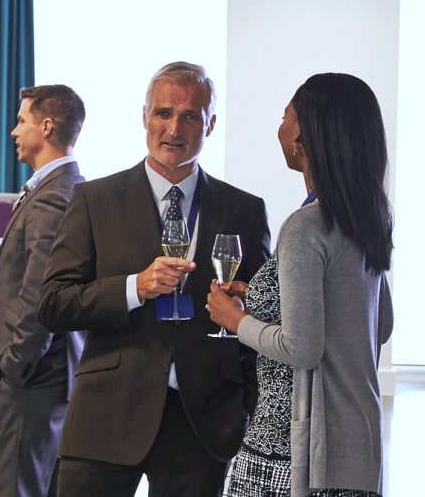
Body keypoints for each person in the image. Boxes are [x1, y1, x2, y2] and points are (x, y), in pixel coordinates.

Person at [38, 61, 271, 496]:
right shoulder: (94, 199)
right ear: (144, 116)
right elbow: (53, 302)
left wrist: (246, 410)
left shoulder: (244, 210)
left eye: (190, 116)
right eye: (163, 113)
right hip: (106, 415)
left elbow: (262, 313)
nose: (174, 127)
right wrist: (134, 288)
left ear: (211, 123)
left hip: (202, 422)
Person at [206, 72, 394, 497]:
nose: (279, 126)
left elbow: (302, 348)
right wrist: (261, 304)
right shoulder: (371, 218)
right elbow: (378, 326)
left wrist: (235, 321)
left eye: (285, 115)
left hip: (292, 451)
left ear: (303, 139)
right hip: (359, 442)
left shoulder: (306, 226)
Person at [0, 84, 86, 497]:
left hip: (35, 375)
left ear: (46, 125)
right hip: (46, 372)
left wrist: (15, 365)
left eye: (21, 120)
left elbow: (43, 293)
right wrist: (2, 273)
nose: (13, 131)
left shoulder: (54, 194)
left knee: (13, 488)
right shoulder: (59, 186)